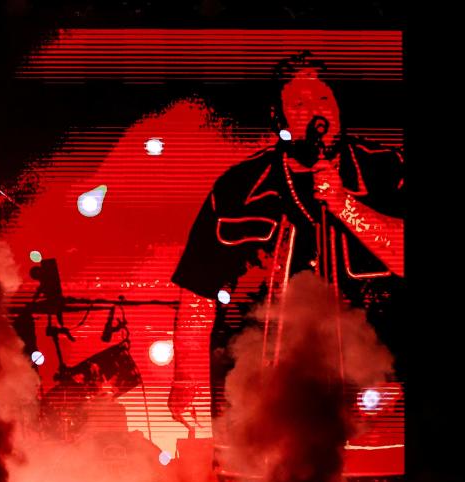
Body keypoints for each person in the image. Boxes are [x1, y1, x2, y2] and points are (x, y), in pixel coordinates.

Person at [168, 53, 404, 435]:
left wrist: (346, 206)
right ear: (278, 119)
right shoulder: (238, 188)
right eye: (299, 104)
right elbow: (199, 293)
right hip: (261, 392)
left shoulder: (386, 169)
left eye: (324, 100)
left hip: (379, 387)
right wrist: (186, 375)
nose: (314, 112)